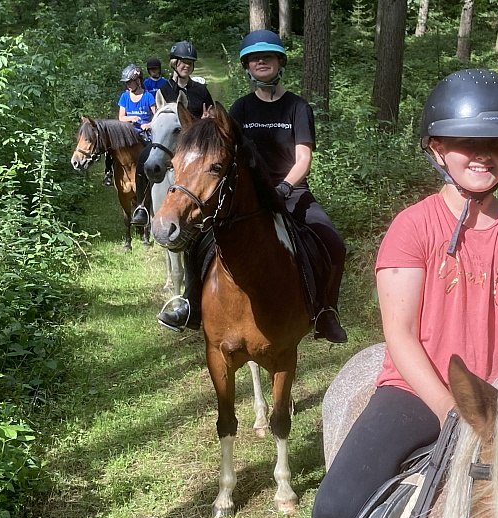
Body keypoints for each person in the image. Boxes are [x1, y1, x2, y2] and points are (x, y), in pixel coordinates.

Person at [307, 68, 498, 518]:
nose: (484, 154)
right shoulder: (412, 227)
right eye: (467, 142)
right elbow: (400, 333)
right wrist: (452, 410)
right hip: (418, 393)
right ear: (437, 148)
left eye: (497, 143)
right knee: (336, 503)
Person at [156, 29, 348, 344]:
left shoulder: (298, 107)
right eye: (254, 58)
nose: (261, 62)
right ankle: (190, 304)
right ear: (247, 66)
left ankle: (326, 310)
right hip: (247, 195)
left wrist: (285, 187)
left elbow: (303, 158)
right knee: (196, 239)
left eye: (268, 57)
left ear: (280, 62)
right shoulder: (240, 110)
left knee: (333, 242)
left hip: (291, 191)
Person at [131, 40, 214, 226]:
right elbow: (159, 117)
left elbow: (212, 114)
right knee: (144, 157)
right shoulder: (164, 90)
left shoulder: (200, 90)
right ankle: (142, 206)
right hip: (169, 141)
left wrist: (207, 119)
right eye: (183, 62)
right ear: (174, 63)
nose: (187, 66)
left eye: (190, 63)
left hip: (193, 143)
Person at [104, 64, 155, 187]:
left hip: (144, 132)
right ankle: (108, 172)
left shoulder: (148, 96)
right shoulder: (125, 97)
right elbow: (121, 117)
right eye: (126, 83)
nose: (127, 85)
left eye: (129, 82)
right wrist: (130, 118)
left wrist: (149, 124)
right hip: (127, 132)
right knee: (110, 147)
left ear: (138, 81)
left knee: (152, 148)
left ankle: (153, 173)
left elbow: (157, 116)